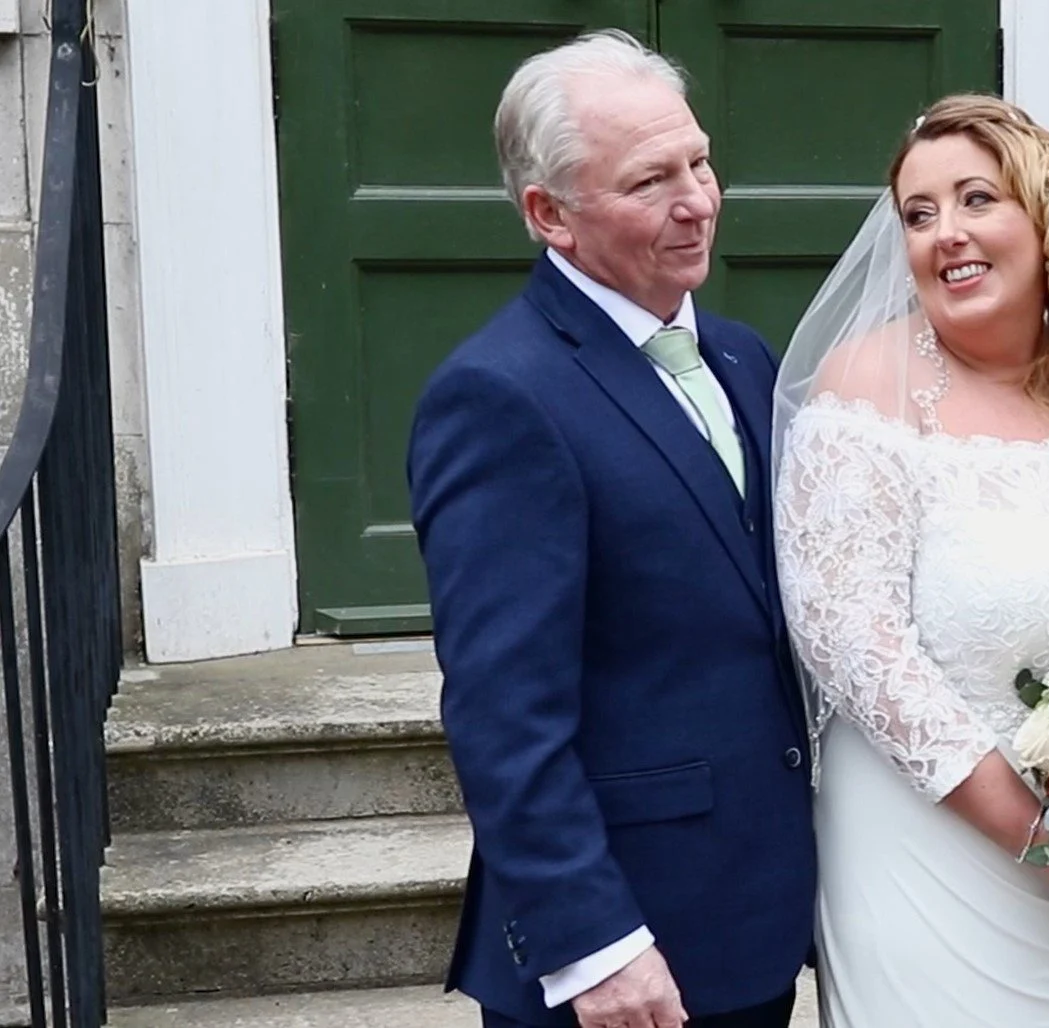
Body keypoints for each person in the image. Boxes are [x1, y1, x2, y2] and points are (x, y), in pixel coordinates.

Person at [407, 30, 814, 1028]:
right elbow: (504, 714)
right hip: (625, 960)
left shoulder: (740, 355)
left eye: (700, 161)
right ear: (551, 214)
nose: (698, 200)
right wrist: (594, 943)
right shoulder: (499, 396)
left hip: (747, 922)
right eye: (650, 181)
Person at [771, 95, 1049, 1027]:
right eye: (919, 215)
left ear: (1044, 219)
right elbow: (853, 641)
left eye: (976, 200)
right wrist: (1043, 834)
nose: (945, 235)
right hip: (934, 853)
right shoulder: (868, 386)